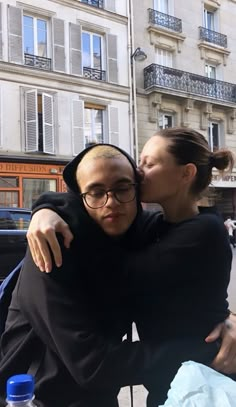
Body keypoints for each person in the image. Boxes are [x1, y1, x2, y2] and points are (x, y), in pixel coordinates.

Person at [26, 128, 236, 404]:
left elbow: (122, 273)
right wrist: (45, 208)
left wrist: (225, 322)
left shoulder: (200, 231)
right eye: (96, 194)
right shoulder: (157, 227)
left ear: (186, 174)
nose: (139, 172)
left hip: (200, 381)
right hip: (46, 393)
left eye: (148, 164)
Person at [0, 144, 168, 407]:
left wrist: (223, 320)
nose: (110, 201)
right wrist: (193, 350)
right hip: (37, 398)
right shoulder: (53, 249)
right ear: (81, 198)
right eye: (96, 192)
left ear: (136, 191)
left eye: (122, 189)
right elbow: (93, 365)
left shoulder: (135, 242)